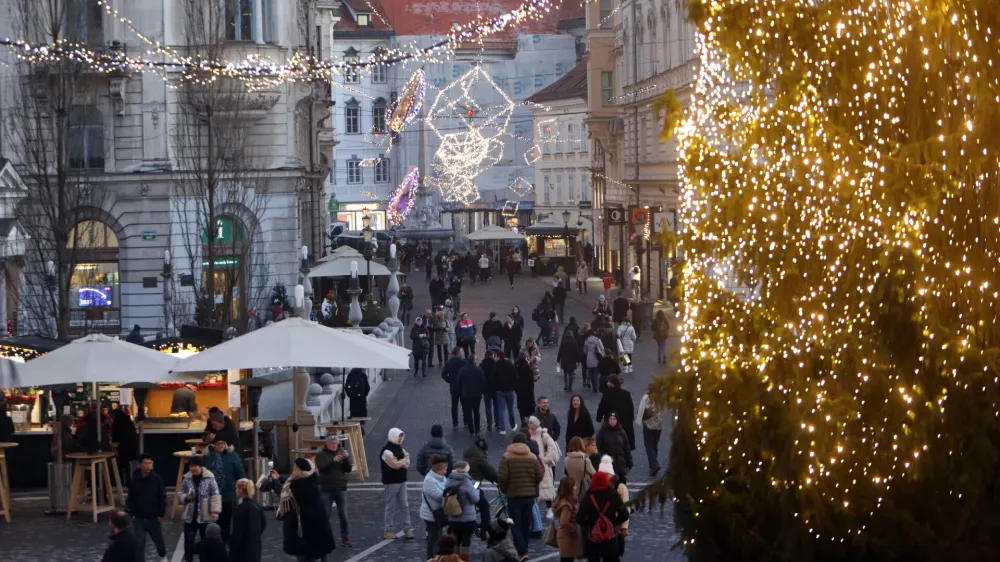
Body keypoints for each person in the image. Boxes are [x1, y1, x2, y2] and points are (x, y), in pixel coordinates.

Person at [272, 458, 337, 562]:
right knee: (322, 550)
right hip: (320, 521)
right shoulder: (313, 478)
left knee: (307, 553)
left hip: (306, 523)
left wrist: (275, 480)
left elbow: (282, 491)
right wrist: (280, 477)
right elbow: (290, 480)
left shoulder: (296, 485)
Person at [498, 432, 543, 561]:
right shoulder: (532, 457)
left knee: (515, 524)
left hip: (513, 496)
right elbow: (539, 475)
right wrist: (531, 485)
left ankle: (522, 551)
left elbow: (502, 477)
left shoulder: (507, 457)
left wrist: (505, 489)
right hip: (529, 496)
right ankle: (525, 549)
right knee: (526, 523)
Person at [576, 471, 629, 562]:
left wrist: (591, 525)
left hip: (594, 540)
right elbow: (625, 514)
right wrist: (613, 523)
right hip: (610, 539)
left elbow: (579, 518)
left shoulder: (589, 497)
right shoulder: (613, 496)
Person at [177, 456, 222, 562]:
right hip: (190, 515)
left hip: (205, 514)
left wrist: (215, 511)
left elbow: (215, 494)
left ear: (200, 466)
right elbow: (180, 493)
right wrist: (186, 497)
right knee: (188, 541)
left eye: (195, 466)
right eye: (191, 466)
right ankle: (189, 560)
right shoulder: (187, 478)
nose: (193, 468)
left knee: (205, 540)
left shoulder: (209, 477)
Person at [202, 436, 245, 542]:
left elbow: (240, 473)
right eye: (218, 443)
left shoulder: (233, 456)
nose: (220, 445)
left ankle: (225, 541)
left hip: (228, 493)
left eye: (222, 443)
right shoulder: (207, 457)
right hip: (211, 494)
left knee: (225, 521)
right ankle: (212, 541)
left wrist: (243, 488)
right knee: (211, 520)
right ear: (213, 445)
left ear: (226, 444)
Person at [128, 454, 167, 562]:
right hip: (139, 516)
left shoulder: (157, 479)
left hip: (153, 516)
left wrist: (161, 514)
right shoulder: (134, 479)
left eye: (150, 463)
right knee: (139, 543)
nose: (148, 466)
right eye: (146, 463)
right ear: (140, 465)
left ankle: (163, 556)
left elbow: (162, 497)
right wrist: (131, 513)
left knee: (158, 540)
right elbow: (130, 497)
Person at [315, 435, 353, 546]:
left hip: (341, 488)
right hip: (327, 489)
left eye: (335, 443)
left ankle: (345, 537)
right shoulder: (321, 455)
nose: (334, 445)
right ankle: (323, 537)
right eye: (332, 443)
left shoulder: (341, 453)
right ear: (327, 444)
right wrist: (333, 460)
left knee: (343, 515)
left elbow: (348, 469)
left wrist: (346, 459)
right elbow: (322, 468)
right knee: (325, 515)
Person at [381, 428, 415, 539]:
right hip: (391, 482)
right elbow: (394, 464)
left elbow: (406, 463)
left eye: (401, 436)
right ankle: (388, 530)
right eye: (398, 436)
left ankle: (407, 528)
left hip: (401, 480)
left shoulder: (400, 449)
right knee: (391, 506)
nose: (400, 439)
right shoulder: (386, 451)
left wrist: (400, 461)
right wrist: (403, 460)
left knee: (404, 505)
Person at [444, 461, 481, 560]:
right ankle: (463, 560)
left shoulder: (449, 480)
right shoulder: (466, 482)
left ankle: (454, 559)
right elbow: (475, 499)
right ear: (466, 469)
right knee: (466, 541)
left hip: (452, 517)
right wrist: (476, 490)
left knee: (456, 539)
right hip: (467, 518)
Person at [527, 415, 561, 519]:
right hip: (532, 466)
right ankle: (535, 510)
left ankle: (550, 509)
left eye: (530, 422)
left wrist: (545, 460)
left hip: (543, 466)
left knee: (547, 487)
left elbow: (552, 449)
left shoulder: (544, 435)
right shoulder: (528, 435)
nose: (528, 424)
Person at [597, 459, 631, 558]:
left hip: (616, 526)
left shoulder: (621, 487)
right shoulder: (598, 487)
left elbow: (626, 507)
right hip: (602, 526)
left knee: (617, 552)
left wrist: (624, 527)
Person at [463, 437, 497, 533]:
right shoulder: (479, 457)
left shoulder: (469, 454)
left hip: (468, 483)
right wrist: (499, 480)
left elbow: (483, 471)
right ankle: (485, 529)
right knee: (484, 505)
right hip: (473, 484)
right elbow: (490, 471)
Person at [420, 455, 449, 560]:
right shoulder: (429, 480)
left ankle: (436, 557)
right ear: (439, 470)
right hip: (431, 514)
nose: (446, 470)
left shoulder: (441, 478)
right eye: (445, 468)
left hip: (438, 513)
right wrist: (449, 492)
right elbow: (438, 495)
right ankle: (431, 558)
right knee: (433, 539)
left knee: (438, 536)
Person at [230, 478, 266, 562]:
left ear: (241, 490)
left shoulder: (240, 509)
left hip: (243, 550)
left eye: (237, 489)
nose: (236, 491)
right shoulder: (257, 506)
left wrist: (232, 553)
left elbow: (237, 533)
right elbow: (264, 523)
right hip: (255, 546)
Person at [596, 376, 636, 450]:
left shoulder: (607, 394)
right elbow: (630, 408)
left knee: (611, 443)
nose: (607, 383)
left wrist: (599, 418)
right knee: (624, 443)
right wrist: (631, 419)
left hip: (611, 421)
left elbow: (602, 407)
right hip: (625, 422)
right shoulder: (626, 394)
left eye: (608, 382)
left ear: (612, 383)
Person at [635, 385, 666, 477]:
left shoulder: (646, 398)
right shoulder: (662, 400)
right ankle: (653, 465)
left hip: (648, 425)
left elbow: (640, 410)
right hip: (658, 426)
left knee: (648, 445)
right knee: (654, 445)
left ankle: (654, 465)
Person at [552, 477, 584, 562]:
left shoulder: (564, 500)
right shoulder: (566, 505)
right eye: (573, 486)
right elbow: (564, 522)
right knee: (567, 559)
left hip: (566, 536)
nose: (575, 487)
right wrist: (573, 529)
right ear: (569, 488)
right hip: (567, 537)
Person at [594, 413, 632, 483]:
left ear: (617, 420)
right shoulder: (602, 432)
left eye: (614, 419)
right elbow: (598, 447)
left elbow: (626, 447)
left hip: (620, 463)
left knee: (621, 484)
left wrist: (629, 462)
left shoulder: (621, 431)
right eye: (610, 419)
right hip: (608, 463)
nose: (612, 421)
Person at [492, 348, 519, 435]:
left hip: (500, 391)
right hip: (510, 390)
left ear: (498, 356)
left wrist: (496, 387)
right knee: (510, 409)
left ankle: (503, 429)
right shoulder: (510, 364)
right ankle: (512, 426)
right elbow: (516, 377)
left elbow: (493, 378)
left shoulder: (496, 365)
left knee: (501, 410)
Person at [442, 350, 469, 429]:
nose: (462, 352)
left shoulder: (449, 362)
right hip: (463, 387)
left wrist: (449, 380)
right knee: (465, 405)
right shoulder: (464, 362)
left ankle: (455, 423)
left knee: (454, 405)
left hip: (453, 387)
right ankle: (466, 422)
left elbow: (443, 374)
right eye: (461, 351)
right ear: (458, 353)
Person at [111, 408, 138, 485]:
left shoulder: (117, 423)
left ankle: (119, 481)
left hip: (122, 448)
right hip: (131, 446)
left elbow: (115, 437)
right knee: (128, 466)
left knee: (120, 465)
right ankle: (129, 481)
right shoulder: (128, 421)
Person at [565, 437, 596, 502]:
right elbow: (594, 474)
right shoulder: (585, 459)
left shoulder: (567, 459)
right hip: (583, 487)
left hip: (571, 487)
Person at [479, 348, 500, 432]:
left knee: (488, 407)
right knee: (496, 406)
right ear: (492, 355)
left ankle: (489, 424)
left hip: (486, 388)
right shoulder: (495, 363)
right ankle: (497, 422)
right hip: (494, 388)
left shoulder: (482, 364)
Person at [514, 352, 537, 425]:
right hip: (528, 390)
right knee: (530, 405)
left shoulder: (516, 366)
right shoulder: (527, 367)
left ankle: (522, 420)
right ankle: (531, 421)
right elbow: (531, 379)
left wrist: (516, 389)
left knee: (521, 406)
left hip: (520, 391)